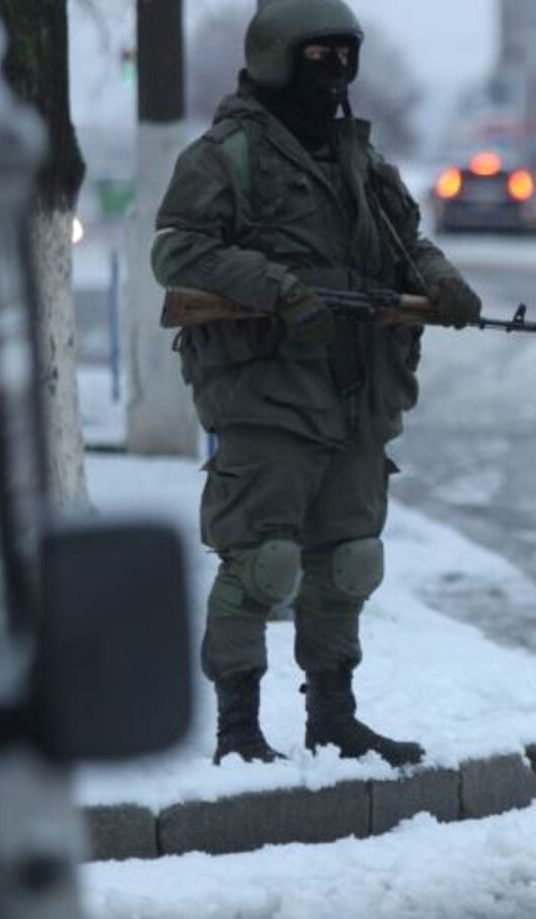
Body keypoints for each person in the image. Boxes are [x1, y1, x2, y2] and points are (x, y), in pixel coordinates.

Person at [152, 0, 483, 768]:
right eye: (316, 57)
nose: (333, 74)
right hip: (267, 390)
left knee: (349, 561)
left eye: (343, 57)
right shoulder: (227, 154)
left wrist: (441, 282)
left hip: (357, 388)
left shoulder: (360, 162)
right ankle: (238, 731)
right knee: (261, 563)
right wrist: (276, 288)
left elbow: (408, 243)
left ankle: (333, 716)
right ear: (275, 56)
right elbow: (178, 251)